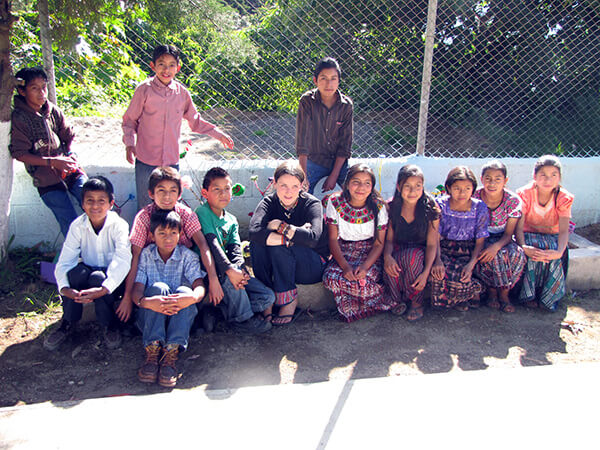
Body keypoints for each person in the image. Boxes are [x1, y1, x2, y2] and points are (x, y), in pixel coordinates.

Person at [122, 44, 234, 209]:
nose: (166, 69)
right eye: (161, 64)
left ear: (178, 68)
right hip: (146, 159)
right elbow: (129, 121)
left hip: (171, 161)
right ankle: (145, 235)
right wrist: (130, 144)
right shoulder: (144, 90)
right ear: (153, 66)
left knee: (171, 206)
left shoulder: (182, 93)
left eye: (171, 65)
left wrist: (217, 133)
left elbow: (195, 121)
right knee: (146, 207)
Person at [117, 167, 222, 323]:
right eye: (161, 190)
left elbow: (203, 246)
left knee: (193, 289)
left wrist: (213, 279)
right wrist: (127, 297)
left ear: (179, 194)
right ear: (151, 193)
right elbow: (136, 255)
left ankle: (199, 316)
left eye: (173, 191)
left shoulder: (186, 214)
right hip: (151, 274)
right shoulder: (144, 218)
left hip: (183, 271)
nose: (167, 196)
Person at [44, 176, 131, 351]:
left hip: (113, 279)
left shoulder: (119, 225)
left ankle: (110, 325)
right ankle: (68, 322)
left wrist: (104, 288)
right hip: (89, 271)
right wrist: (64, 288)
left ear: (111, 203)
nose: (95, 206)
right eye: (90, 201)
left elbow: (122, 260)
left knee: (98, 278)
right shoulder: (78, 226)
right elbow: (65, 260)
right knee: (75, 274)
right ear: (83, 204)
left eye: (101, 201)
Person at [10, 66, 88, 237]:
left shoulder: (51, 110)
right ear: (22, 92)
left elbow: (68, 135)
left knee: (94, 200)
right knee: (69, 222)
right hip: (46, 180)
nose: (42, 93)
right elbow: (19, 154)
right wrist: (52, 162)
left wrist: (69, 153)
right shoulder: (19, 118)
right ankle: (77, 260)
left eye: (44, 87)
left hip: (68, 170)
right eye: (34, 88)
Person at [132, 210, 205, 387]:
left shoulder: (188, 256)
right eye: (162, 233)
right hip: (151, 318)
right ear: (152, 235)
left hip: (179, 319)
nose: (168, 238)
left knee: (184, 291)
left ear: (180, 235)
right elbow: (137, 291)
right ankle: (153, 349)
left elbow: (200, 286)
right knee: (159, 288)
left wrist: (193, 297)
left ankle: (171, 351)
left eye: (173, 233)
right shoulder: (146, 255)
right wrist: (149, 302)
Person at [249, 162, 329, 325]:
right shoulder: (269, 203)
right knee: (257, 245)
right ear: (274, 184)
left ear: (302, 186)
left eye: (294, 186)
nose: (288, 191)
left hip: (311, 265)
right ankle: (267, 298)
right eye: (283, 185)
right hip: (282, 260)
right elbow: (254, 232)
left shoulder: (311, 204)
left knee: (276, 244)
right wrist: (295, 234)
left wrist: (280, 226)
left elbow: (313, 238)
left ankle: (289, 300)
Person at [196, 167, 274, 333]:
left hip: (230, 271)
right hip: (209, 270)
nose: (223, 194)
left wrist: (241, 269)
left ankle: (220, 312)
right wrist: (231, 271)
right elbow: (213, 244)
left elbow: (235, 250)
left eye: (227, 189)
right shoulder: (202, 212)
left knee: (267, 296)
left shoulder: (231, 220)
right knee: (231, 281)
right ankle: (243, 321)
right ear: (205, 193)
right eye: (217, 189)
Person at [322, 164, 392, 322]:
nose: (361, 187)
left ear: (372, 186)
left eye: (367, 183)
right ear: (347, 183)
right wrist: (345, 266)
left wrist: (365, 267)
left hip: (370, 252)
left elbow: (379, 243)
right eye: (356, 182)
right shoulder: (335, 202)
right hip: (344, 251)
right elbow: (333, 239)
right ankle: (375, 303)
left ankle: (364, 306)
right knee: (331, 278)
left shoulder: (379, 207)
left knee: (364, 280)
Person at [383, 165, 440, 321]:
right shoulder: (392, 207)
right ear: (398, 187)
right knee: (392, 265)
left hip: (420, 253)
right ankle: (396, 300)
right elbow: (388, 240)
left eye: (417, 186)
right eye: (407, 186)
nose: (412, 191)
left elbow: (432, 244)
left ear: (423, 187)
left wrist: (426, 272)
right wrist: (388, 256)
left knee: (412, 257)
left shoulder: (430, 208)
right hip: (397, 250)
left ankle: (416, 302)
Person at [515, 155, 573, 311]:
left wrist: (559, 252)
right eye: (543, 175)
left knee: (551, 251)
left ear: (559, 177)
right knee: (534, 250)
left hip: (552, 236)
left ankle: (548, 297)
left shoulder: (563, 197)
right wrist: (523, 246)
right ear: (534, 177)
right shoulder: (524, 194)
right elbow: (518, 228)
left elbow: (563, 230)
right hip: (527, 235)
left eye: (554, 175)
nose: (548, 180)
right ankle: (528, 295)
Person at [430, 166, 489, 311]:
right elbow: (435, 237)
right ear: (449, 188)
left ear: (473, 189)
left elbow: (480, 240)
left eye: (467, 188)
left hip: (468, 250)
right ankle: (465, 295)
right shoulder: (441, 205)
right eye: (457, 188)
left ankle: (469, 293)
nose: (462, 193)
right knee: (439, 274)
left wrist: (471, 264)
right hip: (444, 249)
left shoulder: (480, 207)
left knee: (463, 274)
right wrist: (437, 260)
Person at [473, 160, 527, 313]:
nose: (492, 183)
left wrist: (496, 246)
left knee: (517, 255)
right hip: (479, 237)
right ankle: (492, 291)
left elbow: (509, 234)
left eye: (498, 179)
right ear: (482, 179)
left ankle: (504, 292)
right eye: (488, 178)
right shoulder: (475, 196)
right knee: (487, 255)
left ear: (505, 181)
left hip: (503, 238)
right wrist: (489, 247)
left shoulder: (512, 200)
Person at [296, 57, 353, 195]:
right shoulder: (307, 102)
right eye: (324, 78)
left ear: (339, 81)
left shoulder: (346, 105)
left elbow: (345, 145)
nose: (329, 84)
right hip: (313, 161)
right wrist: (303, 176)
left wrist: (334, 175)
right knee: (300, 194)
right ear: (315, 80)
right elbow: (302, 140)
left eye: (333, 78)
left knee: (355, 189)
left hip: (338, 163)